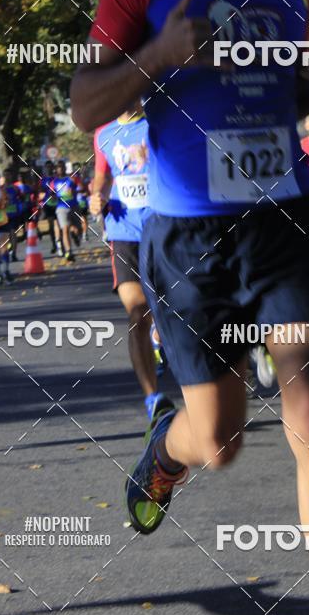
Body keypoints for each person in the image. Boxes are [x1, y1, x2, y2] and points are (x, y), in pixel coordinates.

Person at [71, 0, 309, 615]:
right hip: (189, 236)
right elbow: (88, 104)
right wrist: (158, 56)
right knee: (222, 440)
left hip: (287, 222)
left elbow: (281, 101)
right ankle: (169, 450)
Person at [91, 103, 172, 420]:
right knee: (138, 312)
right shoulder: (104, 134)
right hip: (123, 233)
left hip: (162, 227)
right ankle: (153, 399)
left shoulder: (159, 123)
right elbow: (101, 177)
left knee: (169, 307)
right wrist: (96, 195)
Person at [53, 160, 77, 261]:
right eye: (58, 167)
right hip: (61, 207)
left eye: (62, 167)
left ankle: (75, 235)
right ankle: (68, 251)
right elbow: (51, 194)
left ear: (65, 168)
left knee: (76, 229)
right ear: (56, 169)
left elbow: (76, 190)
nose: (60, 169)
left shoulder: (70, 179)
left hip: (73, 206)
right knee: (65, 229)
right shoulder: (54, 182)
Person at [0, 166, 22, 261]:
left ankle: (14, 253)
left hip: (13, 214)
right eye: (5, 175)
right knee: (5, 235)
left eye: (8, 175)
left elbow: (21, 198)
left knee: (13, 233)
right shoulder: (0, 189)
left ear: (11, 176)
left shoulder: (15, 188)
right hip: (4, 216)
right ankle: (6, 251)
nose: (7, 177)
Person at [40, 159, 59, 254]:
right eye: (47, 167)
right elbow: (40, 192)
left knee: (59, 225)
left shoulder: (57, 178)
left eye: (50, 167)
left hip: (59, 204)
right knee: (51, 226)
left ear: (53, 168)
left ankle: (60, 243)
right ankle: (54, 244)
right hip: (48, 204)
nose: (49, 169)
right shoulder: (42, 180)